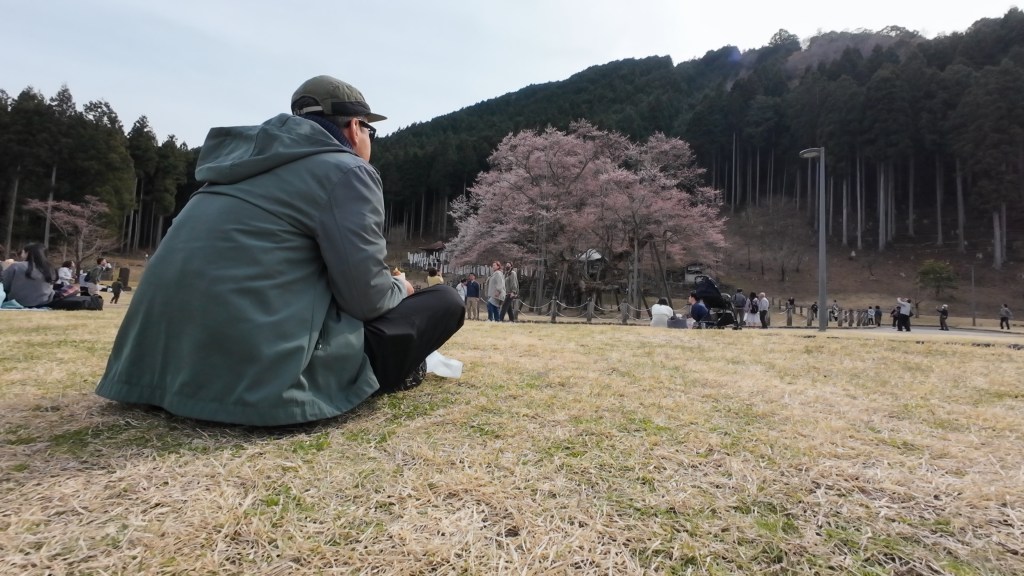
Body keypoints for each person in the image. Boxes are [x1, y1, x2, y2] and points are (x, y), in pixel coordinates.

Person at [96, 74, 465, 426]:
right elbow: (366, 299)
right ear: (355, 127)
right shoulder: (348, 170)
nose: (369, 137)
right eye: (370, 128)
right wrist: (402, 287)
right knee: (445, 301)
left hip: (150, 373)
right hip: (261, 383)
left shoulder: (228, 170)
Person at [1, 243, 56, 308]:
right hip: (43, 302)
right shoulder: (50, 268)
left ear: (27, 253)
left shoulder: (16, 266)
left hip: (17, 302)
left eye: (23, 251)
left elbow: (4, 286)